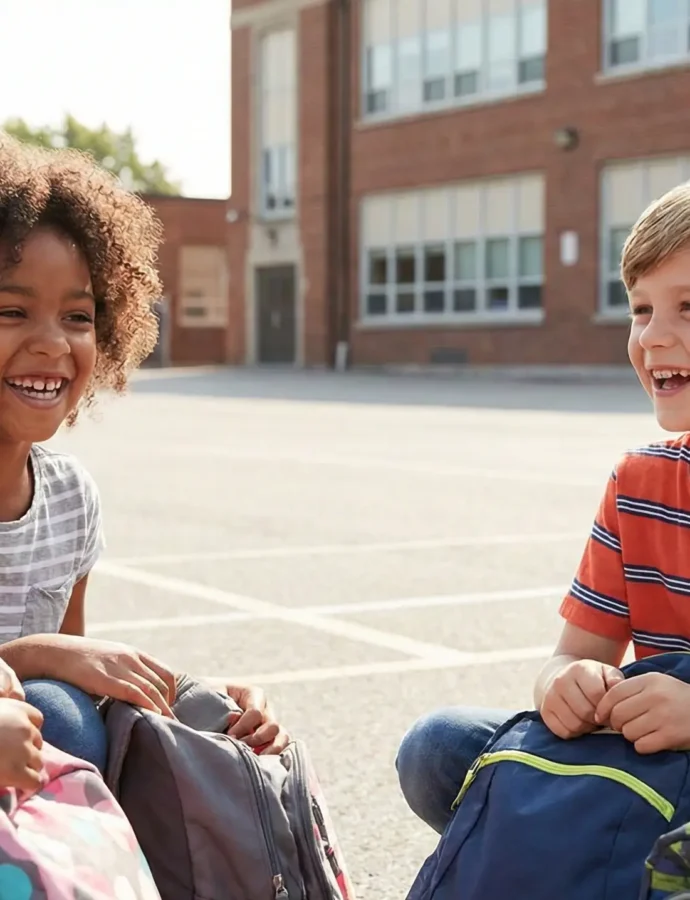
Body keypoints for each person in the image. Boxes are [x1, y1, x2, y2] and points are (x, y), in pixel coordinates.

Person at [397, 180, 690, 835]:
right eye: (641, 310)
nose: (654, 337)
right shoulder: (639, 481)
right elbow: (569, 656)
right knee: (438, 747)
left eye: (688, 307)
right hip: (650, 779)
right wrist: (568, 684)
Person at [0, 134, 288, 774]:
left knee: (66, 712)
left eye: (78, 316)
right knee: (58, 717)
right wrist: (38, 657)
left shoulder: (70, 498)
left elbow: (71, 673)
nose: (53, 344)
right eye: (12, 310)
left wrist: (201, 702)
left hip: (41, 806)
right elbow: (51, 668)